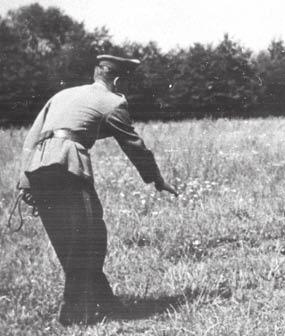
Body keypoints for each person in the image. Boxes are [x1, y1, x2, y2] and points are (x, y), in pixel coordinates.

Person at [17, 54, 178, 326]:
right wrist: (156, 178)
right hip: (67, 166)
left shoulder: (64, 94)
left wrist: (24, 181)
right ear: (117, 79)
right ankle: (73, 314)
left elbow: (32, 136)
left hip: (38, 168)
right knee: (89, 238)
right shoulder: (113, 102)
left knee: (69, 241)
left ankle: (105, 303)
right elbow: (133, 144)